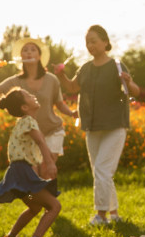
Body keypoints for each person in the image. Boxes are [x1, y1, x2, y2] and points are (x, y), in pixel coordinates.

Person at [54, 25, 140, 226]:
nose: (90, 45)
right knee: (101, 172)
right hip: (92, 126)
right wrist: (60, 74)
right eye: (87, 42)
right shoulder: (85, 68)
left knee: (102, 170)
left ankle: (101, 216)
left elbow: (134, 91)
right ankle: (115, 214)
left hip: (114, 126)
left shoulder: (117, 66)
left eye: (94, 41)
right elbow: (72, 87)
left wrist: (129, 81)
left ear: (104, 42)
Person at [0, 88, 61, 237]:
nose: (33, 95)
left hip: (16, 172)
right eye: (28, 96)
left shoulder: (22, 122)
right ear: (25, 107)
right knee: (54, 206)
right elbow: (40, 142)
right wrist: (50, 163)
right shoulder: (29, 121)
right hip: (21, 171)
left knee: (35, 207)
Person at [0, 37, 77, 169]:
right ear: (21, 56)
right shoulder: (14, 81)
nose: (29, 52)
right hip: (30, 133)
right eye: (25, 50)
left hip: (53, 130)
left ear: (40, 56)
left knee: (47, 167)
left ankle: (47, 190)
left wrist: (72, 113)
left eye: (33, 50)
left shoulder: (51, 80)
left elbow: (60, 104)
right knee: (35, 170)